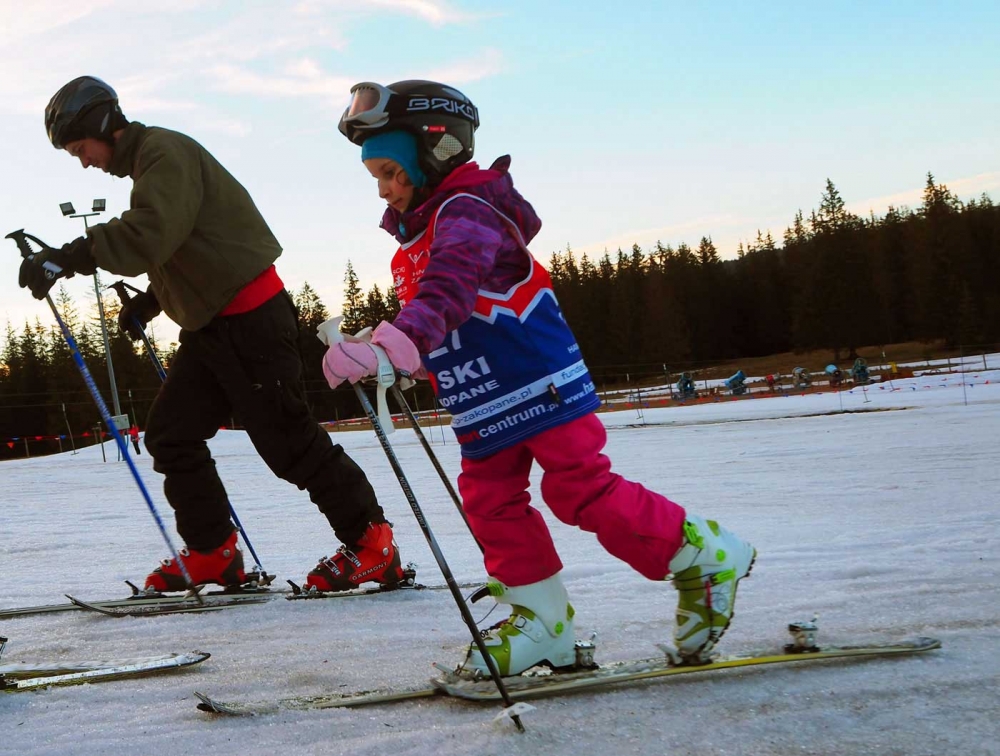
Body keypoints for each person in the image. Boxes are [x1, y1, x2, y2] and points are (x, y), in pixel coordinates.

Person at [323, 80, 757, 675]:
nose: (383, 189)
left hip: (539, 385)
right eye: (375, 176)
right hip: (484, 400)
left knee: (579, 489)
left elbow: (448, 291)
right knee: (489, 501)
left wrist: (397, 344)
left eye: (392, 171)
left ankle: (700, 553)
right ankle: (541, 621)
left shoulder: (467, 210)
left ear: (439, 150)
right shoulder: (413, 241)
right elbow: (447, 323)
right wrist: (381, 353)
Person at [19, 75, 405, 594]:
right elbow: (189, 244)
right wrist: (153, 303)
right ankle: (212, 553)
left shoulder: (163, 153)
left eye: (79, 148)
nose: (84, 161)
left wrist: (66, 257)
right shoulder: (150, 164)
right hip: (214, 327)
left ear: (99, 126)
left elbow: (151, 233)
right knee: (171, 435)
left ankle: (372, 543)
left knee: (288, 441)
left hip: (251, 320)